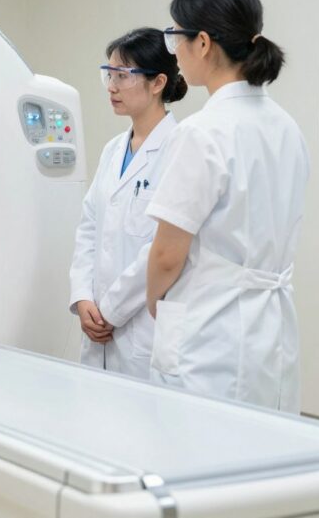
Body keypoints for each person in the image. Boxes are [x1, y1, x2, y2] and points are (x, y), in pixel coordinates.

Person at [145, 0, 309, 412]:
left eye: (175, 36)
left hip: (210, 330)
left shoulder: (202, 131)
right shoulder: (287, 127)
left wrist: (153, 303)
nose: (173, 49)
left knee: (200, 453)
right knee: (265, 454)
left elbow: (166, 255)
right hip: (270, 328)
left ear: (202, 43)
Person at [69, 27, 188, 379]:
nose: (111, 86)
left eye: (123, 76)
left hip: (140, 326)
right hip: (98, 321)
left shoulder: (180, 148)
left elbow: (160, 248)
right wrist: (83, 298)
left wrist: (110, 311)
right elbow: (89, 227)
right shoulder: (112, 150)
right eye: (108, 74)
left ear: (157, 83)